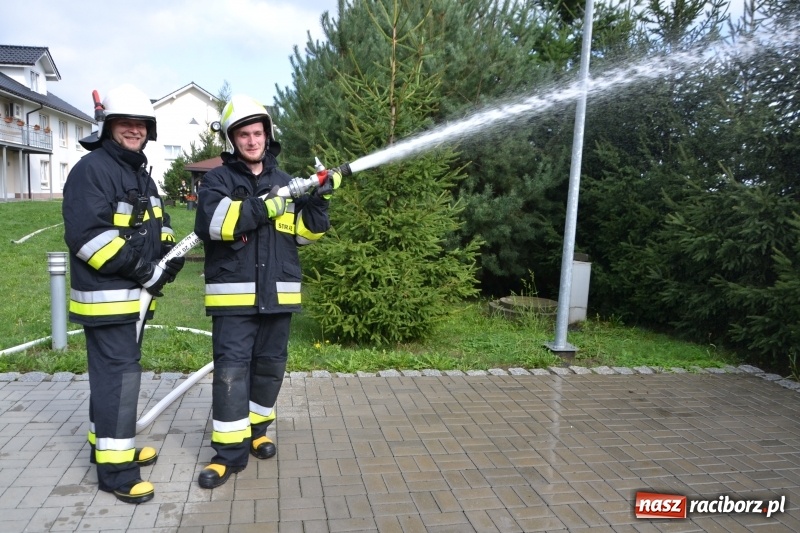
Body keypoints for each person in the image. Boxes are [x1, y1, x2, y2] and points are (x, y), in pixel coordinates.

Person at [194, 94, 339, 489]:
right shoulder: (218, 180)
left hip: (278, 296)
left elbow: (306, 235)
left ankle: (256, 431)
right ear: (232, 139)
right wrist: (266, 207)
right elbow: (213, 224)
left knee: (269, 370)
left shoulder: (287, 182)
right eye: (243, 134)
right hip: (234, 300)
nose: (252, 140)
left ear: (267, 135)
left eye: (257, 133)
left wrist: (319, 199)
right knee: (231, 374)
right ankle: (228, 454)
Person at [62, 83, 186, 504]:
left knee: (110, 380)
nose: (134, 130)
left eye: (141, 124)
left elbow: (158, 222)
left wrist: (168, 252)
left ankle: (105, 446)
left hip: (132, 298)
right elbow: (88, 237)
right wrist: (145, 270)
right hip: (108, 299)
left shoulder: (139, 173)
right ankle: (117, 473)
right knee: (119, 380)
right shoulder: (92, 170)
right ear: (109, 126)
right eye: (125, 123)